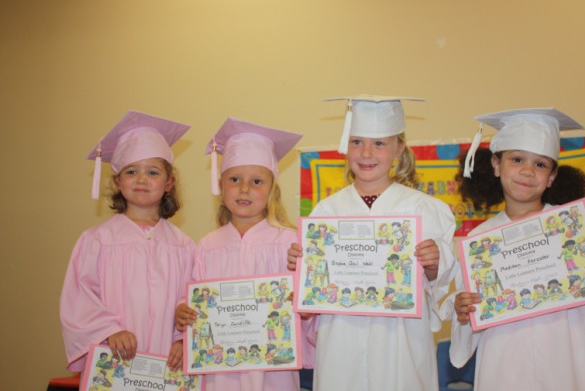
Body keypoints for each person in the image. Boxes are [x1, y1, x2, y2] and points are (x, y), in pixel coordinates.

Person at [287, 95, 456, 391]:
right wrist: (303, 274)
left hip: (400, 341)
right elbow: (312, 300)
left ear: (398, 149)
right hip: (341, 339)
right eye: (357, 142)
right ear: (345, 146)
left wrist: (434, 262)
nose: (366, 153)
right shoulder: (326, 212)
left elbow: (437, 283)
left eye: (379, 143)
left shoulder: (423, 209)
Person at [445, 107, 585, 390]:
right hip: (506, 361)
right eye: (517, 159)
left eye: (540, 164)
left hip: (575, 356)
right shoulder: (479, 242)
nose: (527, 171)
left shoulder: (583, 228)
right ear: (496, 165)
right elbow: (472, 316)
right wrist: (463, 310)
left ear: (551, 177)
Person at [60, 111, 194, 374]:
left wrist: (182, 339)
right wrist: (109, 330)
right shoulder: (97, 241)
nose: (142, 179)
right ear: (118, 181)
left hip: (166, 363)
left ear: (168, 183)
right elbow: (78, 299)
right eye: (131, 171)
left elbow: (188, 300)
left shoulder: (184, 246)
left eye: (152, 172)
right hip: (115, 359)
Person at [175, 117, 304, 391]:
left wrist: (301, 303)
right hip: (220, 371)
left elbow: (306, 309)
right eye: (234, 179)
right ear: (221, 185)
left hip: (274, 372)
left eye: (257, 181)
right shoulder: (208, 246)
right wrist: (185, 311)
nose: (245, 189)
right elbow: (195, 298)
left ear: (272, 189)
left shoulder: (289, 242)